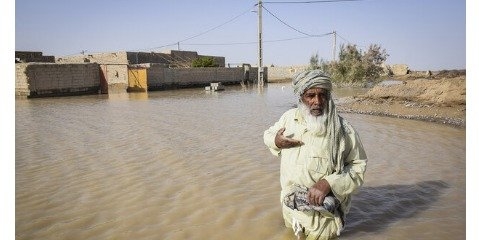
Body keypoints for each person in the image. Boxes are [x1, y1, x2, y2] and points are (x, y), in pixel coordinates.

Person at [263, 69, 367, 239]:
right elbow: (267, 134)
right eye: (311, 95)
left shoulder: (342, 130)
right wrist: (276, 141)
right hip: (291, 209)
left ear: (328, 96)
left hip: (322, 219)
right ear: (301, 97)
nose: (317, 101)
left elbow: (358, 165)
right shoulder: (289, 119)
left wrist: (329, 183)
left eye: (322, 95)